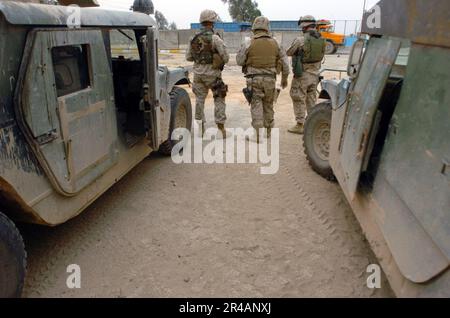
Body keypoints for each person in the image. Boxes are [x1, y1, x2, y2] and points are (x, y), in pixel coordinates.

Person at [236, 16, 290, 143]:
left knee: (256, 104)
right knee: (269, 104)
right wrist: (284, 79)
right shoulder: (276, 43)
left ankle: (258, 135)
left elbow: (239, 61)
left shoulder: (249, 42)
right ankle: (268, 131)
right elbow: (286, 65)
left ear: (254, 28)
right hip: (270, 79)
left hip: (254, 80)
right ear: (267, 28)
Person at [186, 9, 230, 138]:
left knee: (199, 100)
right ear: (213, 22)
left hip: (198, 75)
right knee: (219, 99)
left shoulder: (193, 39)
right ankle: (221, 129)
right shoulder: (215, 38)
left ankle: (201, 129)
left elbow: (188, 57)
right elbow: (226, 58)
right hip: (213, 75)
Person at [287, 15, 326, 135]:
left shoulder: (301, 40)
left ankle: (300, 124)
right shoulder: (321, 39)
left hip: (302, 75)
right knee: (311, 99)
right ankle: (312, 123)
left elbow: (289, 52)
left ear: (304, 26)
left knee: (298, 97)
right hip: (315, 75)